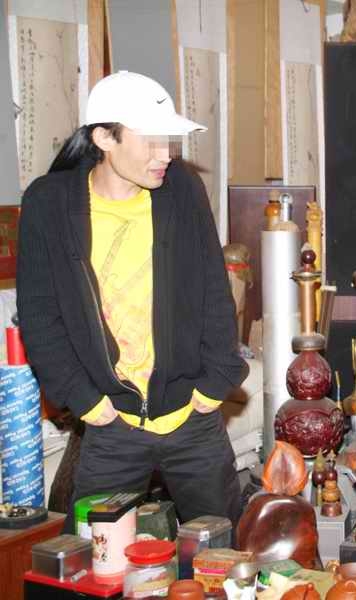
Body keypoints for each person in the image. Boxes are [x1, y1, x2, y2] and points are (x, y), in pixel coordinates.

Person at [16, 71, 248, 531]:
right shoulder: (48, 203)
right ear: (104, 138)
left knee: (224, 550)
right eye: (150, 141)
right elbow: (40, 316)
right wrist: (82, 398)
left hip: (191, 416)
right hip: (111, 421)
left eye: (169, 141)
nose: (165, 155)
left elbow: (213, 290)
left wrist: (216, 379)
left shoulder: (182, 190)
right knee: (92, 552)